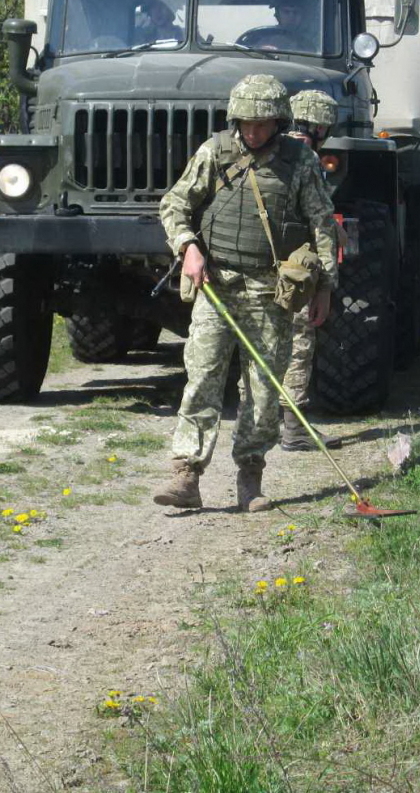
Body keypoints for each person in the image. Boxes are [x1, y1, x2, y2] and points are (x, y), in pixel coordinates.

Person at [155, 74, 338, 513]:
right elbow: (174, 204)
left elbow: (322, 224)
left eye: (262, 124)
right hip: (216, 285)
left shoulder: (300, 162)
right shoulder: (215, 152)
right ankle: (186, 474)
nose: (253, 132)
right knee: (202, 378)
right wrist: (188, 246)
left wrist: (325, 286)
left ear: (279, 122)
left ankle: (250, 477)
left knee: (263, 389)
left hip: (270, 291)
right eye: (246, 123)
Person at [280, 89, 342, 451]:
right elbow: (319, 221)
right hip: (296, 266)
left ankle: (252, 422)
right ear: (320, 126)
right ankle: (295, 428)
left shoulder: (267, 149)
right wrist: (327, 284)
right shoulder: (307, 158)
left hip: (258, 263)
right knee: (299, 343)